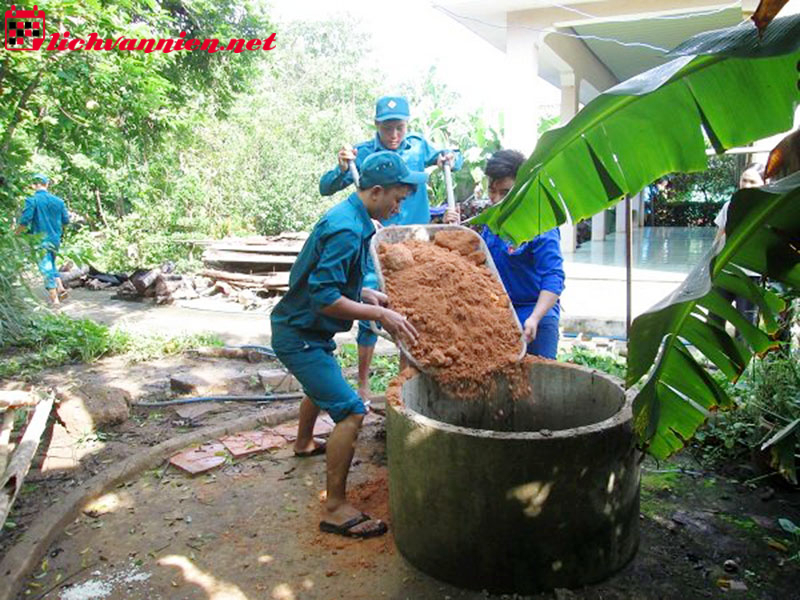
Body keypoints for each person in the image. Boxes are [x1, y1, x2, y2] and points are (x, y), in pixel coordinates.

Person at [271, 151, 421, 539]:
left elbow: (335, 281)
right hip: (299, 335)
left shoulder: (353, 218)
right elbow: (324, 297)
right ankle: (336, 508)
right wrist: (380, 314)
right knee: (351, 411)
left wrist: (366, 294)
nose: (398, 207)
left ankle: (304, 443)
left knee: (323, 386)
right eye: (397, 199)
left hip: (307, 330)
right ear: (376, 191)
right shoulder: (347, 230)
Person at [319, 96, 463, 402]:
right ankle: (363, 384)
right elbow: (326, 186)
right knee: (372, 304)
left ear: (407, 125)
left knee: (415, 308)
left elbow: (453, 158)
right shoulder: (363, 153)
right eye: (387, 128)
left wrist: (450, 158)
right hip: (378, 242)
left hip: (416, 243)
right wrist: (342, 167)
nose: (394, 134)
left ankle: (405, 381)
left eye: (399, 127)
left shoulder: (418, 146)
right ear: (376, 125)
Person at [444, 149, 565, 359]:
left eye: (505, 193)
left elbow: (554, 277)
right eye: (492, 191)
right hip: (500, 314)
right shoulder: (493, 221)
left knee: (539, 374)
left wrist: (535, 318)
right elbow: (478, 262)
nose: (497, 199)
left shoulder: (540, 223)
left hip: (536, 314)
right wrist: (452, 231)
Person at [16, 173, 70, 306]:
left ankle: (55, 301)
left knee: (46, 268)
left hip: (40, 240)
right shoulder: (59, 201)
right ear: (47, 184)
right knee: (51, 263)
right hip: (55, 239)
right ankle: (60, 288)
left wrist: (16, 234)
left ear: (33, 185)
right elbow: (66, 221)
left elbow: (25, 220)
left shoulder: (32, 200)